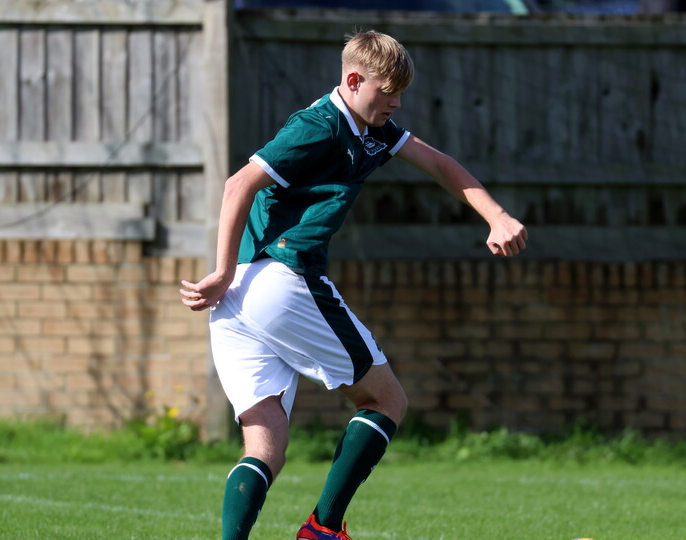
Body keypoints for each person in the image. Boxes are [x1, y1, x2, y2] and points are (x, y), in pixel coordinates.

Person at [180, 30, 528, 540]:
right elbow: (239, 184)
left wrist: (495, 216)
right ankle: (323, 528)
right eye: (388, 91)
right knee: (387, 401)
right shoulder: (317, 126)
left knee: (266, 443)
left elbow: (439, 163)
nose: (397, 103)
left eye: (401, 93)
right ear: (354, 79)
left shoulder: (373, 130)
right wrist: (222, 270)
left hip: (238, 304)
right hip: (281, 278)